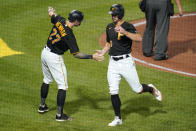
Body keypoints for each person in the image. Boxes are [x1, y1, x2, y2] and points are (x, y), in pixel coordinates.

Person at [96, 4, 162, 126]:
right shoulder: (109, 27)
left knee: (137, 89)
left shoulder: (128, 26)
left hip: (126, 63)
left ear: (120, 14)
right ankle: (118, 118)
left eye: (115, 15)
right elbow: (108, 44)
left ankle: (151, 88)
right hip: (113, 64)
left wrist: (125, 32)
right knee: (113, 90)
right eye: (112, 15)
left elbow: (138, 38)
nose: (113, 17)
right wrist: (102, 52)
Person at [38, 7, 104, 121]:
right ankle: (59, 115)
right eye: (80, 21)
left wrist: (51, 12)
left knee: (47, 80)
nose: (80, 23)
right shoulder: (69, 35)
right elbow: (76, 54)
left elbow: (52, 15)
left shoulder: (60, 20)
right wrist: (92, 56)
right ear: (76, 21)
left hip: (44, 53)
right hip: (54, 58)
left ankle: (42, 106)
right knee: (63, 86)